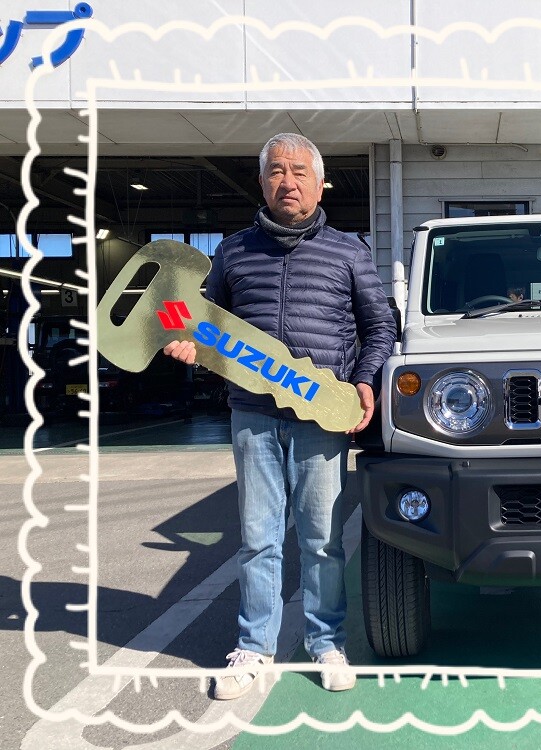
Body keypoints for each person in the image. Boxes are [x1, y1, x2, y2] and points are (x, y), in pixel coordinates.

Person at [162, 133, 396, 699]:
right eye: (276, 172)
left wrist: (365, 381)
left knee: (322, 539)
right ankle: (253, 647)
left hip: (322, 415)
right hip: (252, 414)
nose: (287, 182)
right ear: (262, 183)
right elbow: (200, 319)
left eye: (298, 172)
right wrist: (187, 341)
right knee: (257, 538)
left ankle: (327, 642)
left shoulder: (349, 252)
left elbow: (380, 326)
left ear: (319, 184)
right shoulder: (234, 251)